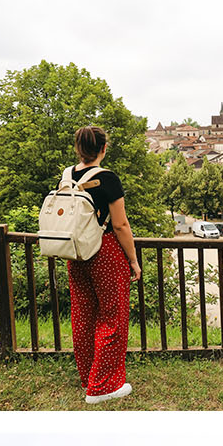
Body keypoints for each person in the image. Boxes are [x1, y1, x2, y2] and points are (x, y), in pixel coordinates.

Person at [65, 126, 141, 404]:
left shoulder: (68, 175)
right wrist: (132, 259)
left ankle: (89, 377)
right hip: (105, 251)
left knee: (83, 315)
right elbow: (120, 224)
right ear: (103, 149)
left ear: (78, 149)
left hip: (76, 252)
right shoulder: (107, 178)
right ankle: (103, 387)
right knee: (112, 315)